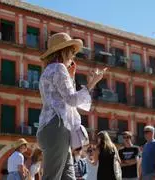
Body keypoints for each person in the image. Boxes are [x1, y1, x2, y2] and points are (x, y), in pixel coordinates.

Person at [37, 32, 107, 180]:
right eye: (72, 52)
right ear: (64, 51)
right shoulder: (59, 68)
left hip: (51, 128)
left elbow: (63, 98)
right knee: (52, 177)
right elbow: (72, 100)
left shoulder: (47, 72)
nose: (73, 56)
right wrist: (93, 82)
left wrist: (71, 77)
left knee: (68, 176)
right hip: (57, 127)